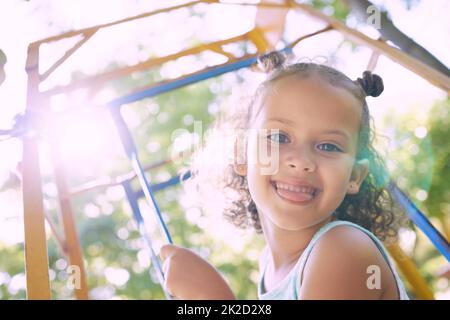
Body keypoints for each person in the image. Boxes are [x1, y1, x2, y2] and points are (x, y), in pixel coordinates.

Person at [160, 51, 409, 300]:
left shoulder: (344, 249)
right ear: (242, 154)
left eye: (329, 146)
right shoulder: (268, 266)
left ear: (355, 175)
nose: (301, 161)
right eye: (279, 138)